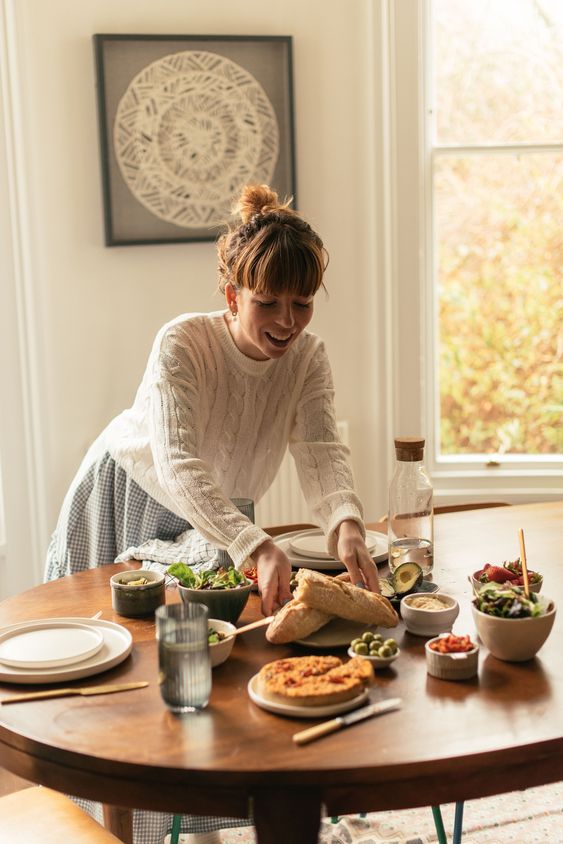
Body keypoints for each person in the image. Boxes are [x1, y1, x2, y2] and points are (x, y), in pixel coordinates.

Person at [45, 183, 380, 843]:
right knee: (134, 685)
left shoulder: (307, 358)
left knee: (218, 678)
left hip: (226, 517)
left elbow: (319, 448)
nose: (287, 321)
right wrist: (254, 543)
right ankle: (122, 834)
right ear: (231, 296)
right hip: (134, 497)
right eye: (268, 303)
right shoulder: (183, 343)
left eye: (302, 304)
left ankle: (204, 829)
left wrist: (345, 523)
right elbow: (177, 463)